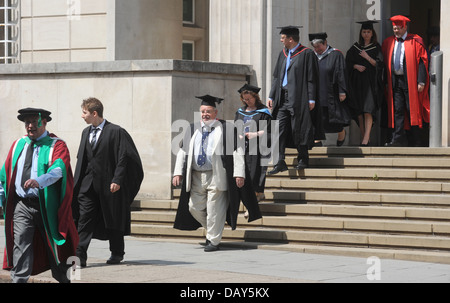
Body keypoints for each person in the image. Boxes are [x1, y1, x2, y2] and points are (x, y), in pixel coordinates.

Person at [172, 95, 261, 252]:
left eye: (208, 111)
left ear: (215, 112)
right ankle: (214, 228)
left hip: (217, 174)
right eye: (203, 111)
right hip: (196, 176)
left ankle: (213, 240)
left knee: (215, 208)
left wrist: (239, 174)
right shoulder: (192, 129)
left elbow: (238, 151)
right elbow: (182, 152)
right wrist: (177, 172)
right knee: (194, 207)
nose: (205, 114)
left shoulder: (227, 128)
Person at [0, 108, 78, 283]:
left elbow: (59, 169)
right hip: (22, 205)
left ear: (44, 123)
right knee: (20, 244)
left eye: (35, 122)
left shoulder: (56, 145)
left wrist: (40, 180)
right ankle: (19, 280)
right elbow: (5, 173)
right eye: (27, 122)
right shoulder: (18, 144)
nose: (30, 126)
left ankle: (64, 279)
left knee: (56, 247)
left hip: (47, 206)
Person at [72, 98, 144, 267]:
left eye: (84, 112)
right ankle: (79, 256)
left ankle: (117, 253)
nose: (82, 116)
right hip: (88, 185)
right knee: (84, 219)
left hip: (109, 185)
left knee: (113, 218)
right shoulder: (85, 132)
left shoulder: (116, 132)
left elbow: (124, 157)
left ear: (94, 113)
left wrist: (118, 179)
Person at [267, 25, 322, 175]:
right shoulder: (283, 54)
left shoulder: (307, 54)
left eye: (283, 37)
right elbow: (277, 77)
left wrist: (311, 98)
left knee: (300, 127)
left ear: (291, 39)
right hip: (282, 98)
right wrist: (271, 95)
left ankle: (303, 158)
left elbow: (312, 78)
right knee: (279, 129)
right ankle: (280, 161)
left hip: (299, 98)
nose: (281, 40)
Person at [381, 15, 430, 147]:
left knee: (411, 109)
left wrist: (421, 81)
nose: (396, 31)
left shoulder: (415, 41)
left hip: (411, 82)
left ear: (405, 27)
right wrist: (386, 81)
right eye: (394, 28)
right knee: (397, 110)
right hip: (395, 82)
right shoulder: (388, 42)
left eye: (398, 28)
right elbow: (386, 64)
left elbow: (421, 63)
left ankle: (416, 140)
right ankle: (397, 139)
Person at [234, 84, 272, 217]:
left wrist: (254, 134)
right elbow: (236, 127)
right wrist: (238, 134)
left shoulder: (263, 112)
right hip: (242, 148)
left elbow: (269, 131)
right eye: (244, 99)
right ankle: (255, 199)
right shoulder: (240, 112)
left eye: (249, 99)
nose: (247, 101)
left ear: (255, 97)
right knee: (245, 176)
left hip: (257, 148)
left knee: (254, 176)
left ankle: (251, 205)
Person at [346, 21, 385, 146]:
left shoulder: (376, 47)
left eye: (368, 32)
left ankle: (365, 138)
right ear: (361, 33)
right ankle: (365, 137)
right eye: (364, 32)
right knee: (359, 112)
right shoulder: (355, 47)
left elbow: (380, 64)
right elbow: (347, 63)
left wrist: (367, 57)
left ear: (372, 33)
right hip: (357, 84)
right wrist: (355, 66)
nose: (366, 34)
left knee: (368, 110)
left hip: (370, 84)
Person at [310, 32, 351, 147]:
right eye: (315, 47)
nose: (317, 49)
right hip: (317, 91)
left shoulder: (335, 54)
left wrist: (342, 91)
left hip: (332, 92)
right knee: (319, 117)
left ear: (325, 43)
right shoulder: (312, 55)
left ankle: (341, 133)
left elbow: (341, 73)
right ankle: (317, 140)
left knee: (335, 120)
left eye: (319, 46)